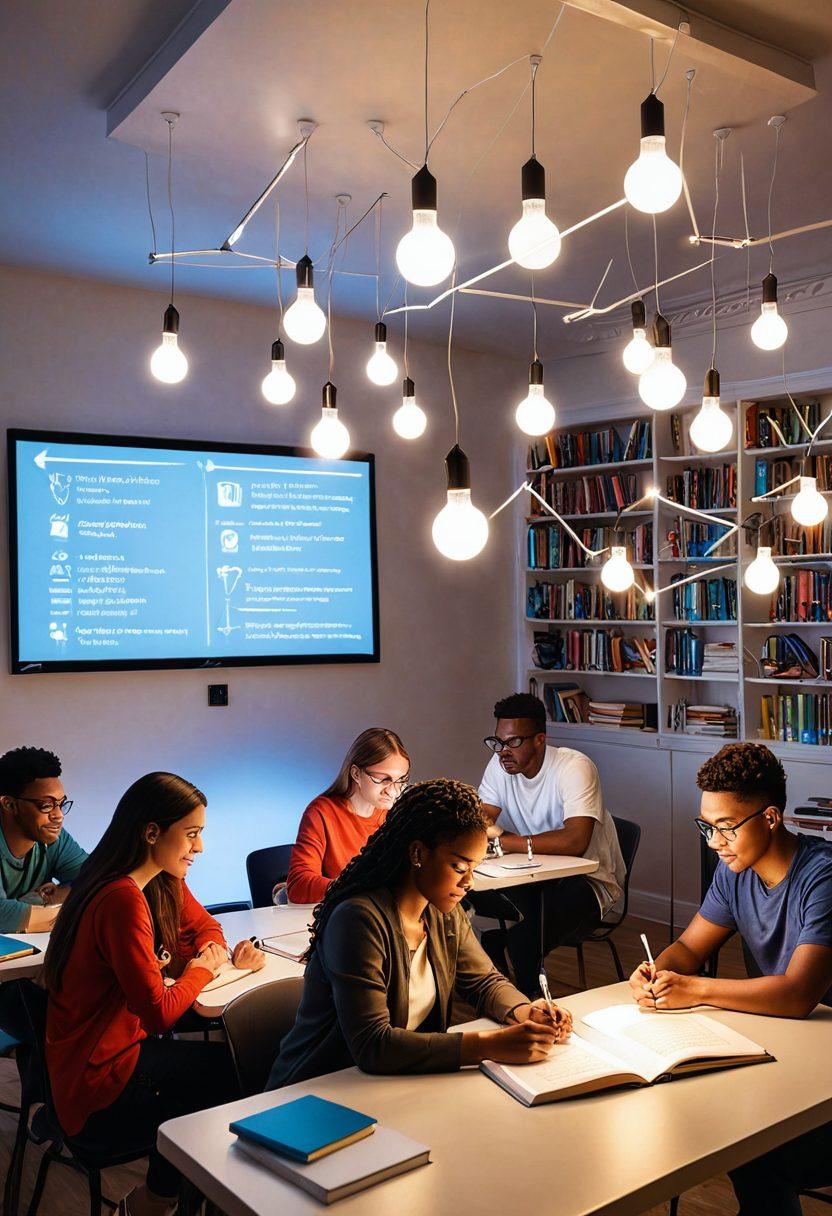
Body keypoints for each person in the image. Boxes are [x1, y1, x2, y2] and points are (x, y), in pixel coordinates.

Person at [43, 772, 265, 1216]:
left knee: (232, 1071)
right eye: (191, 835)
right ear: (151, 833)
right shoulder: (121, 897)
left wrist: (208, 950)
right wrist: (201, 969)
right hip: (93, 1087)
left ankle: (176, 1200)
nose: (199, 848)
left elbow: (206, 927)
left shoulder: (156, 880)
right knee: (237, 1078)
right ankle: (156, 1202)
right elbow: (160, 1014)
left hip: (105, 1057)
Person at [627, 742, 832, 1215]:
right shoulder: (734, 870)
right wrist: (659, 971)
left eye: (725, 828)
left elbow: (799, 994)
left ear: (771, 818)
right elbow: (689, 948)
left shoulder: (821, 878)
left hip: (824, 1069)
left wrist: (693, 989)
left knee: (755, 1151)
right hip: (786, 1051)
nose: (713, 842)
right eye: (707, 826)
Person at [268, 779, 572, 1090]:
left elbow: (483, 981)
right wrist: (487, 1045)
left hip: (388, 1084)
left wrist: (525, 1011)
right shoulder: (358, 920)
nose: (469, 881)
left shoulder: (443, 913)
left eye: (474, 867)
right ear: (418, 853)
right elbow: (373, 1045)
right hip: (316, 1092)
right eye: (458, 866)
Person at [475, 692, 625, 997]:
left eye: (513, 742)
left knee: (524, 940)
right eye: (498, 742)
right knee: (463, 896)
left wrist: (502, 841)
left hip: (590, 882)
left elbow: (575, 841)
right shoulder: (499, 764)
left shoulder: (574, 767)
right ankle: (507, 999)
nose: (503, 751)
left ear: (540, 739)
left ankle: (528, 1009)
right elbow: (478, 821)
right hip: (536, 877)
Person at [285, 727, 411, 904]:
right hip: (341, 917)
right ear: (356, 774)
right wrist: (356, 886)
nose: (393, 791)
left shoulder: (395, 815)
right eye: (383, 779)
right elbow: (298, 886)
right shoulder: (322, 812)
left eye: (401, 781)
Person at [0, 745, 88, 933]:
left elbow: (98, 880)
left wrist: (51, 898)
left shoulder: (53, 838)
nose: (58, 816)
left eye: (61, 804)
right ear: (9, 804)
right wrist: (75, 908)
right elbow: (2, 916)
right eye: (46, 805)